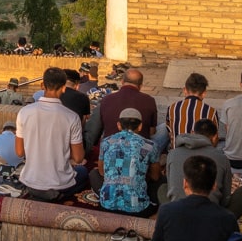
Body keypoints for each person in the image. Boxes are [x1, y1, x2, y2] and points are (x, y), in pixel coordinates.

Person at [17, 67, 87, 199]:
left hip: (31, 181)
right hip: (60, 183)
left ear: (42, 85)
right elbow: (78, 158)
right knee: (83, 172)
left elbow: (20, 152)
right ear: (64, 87)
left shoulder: (24, 113)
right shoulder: (71, 117)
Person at [160, 119, 242, 218]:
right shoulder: (221, 158)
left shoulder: (173, 154)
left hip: (178, 214)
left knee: (162, 189)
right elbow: (225, 200)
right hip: (211, 217)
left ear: (192, 132)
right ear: (215, 137)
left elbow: (171, 186)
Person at [93, 108, 162, 215]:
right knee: (162, 180)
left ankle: (107, 195)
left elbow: (102, 172)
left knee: (93, 174)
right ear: (140, 126)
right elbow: (155, 176)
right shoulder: (149, 146)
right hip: (138, 210)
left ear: (119, 125)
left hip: (107, 206)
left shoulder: (106, 142)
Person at [160, 73, 217, 153]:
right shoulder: (211, 111)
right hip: (203, 157)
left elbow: (170, 133)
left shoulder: (172, 108)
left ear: (184, 90)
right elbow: (214, 139)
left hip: (177, 154)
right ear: (204, 93)